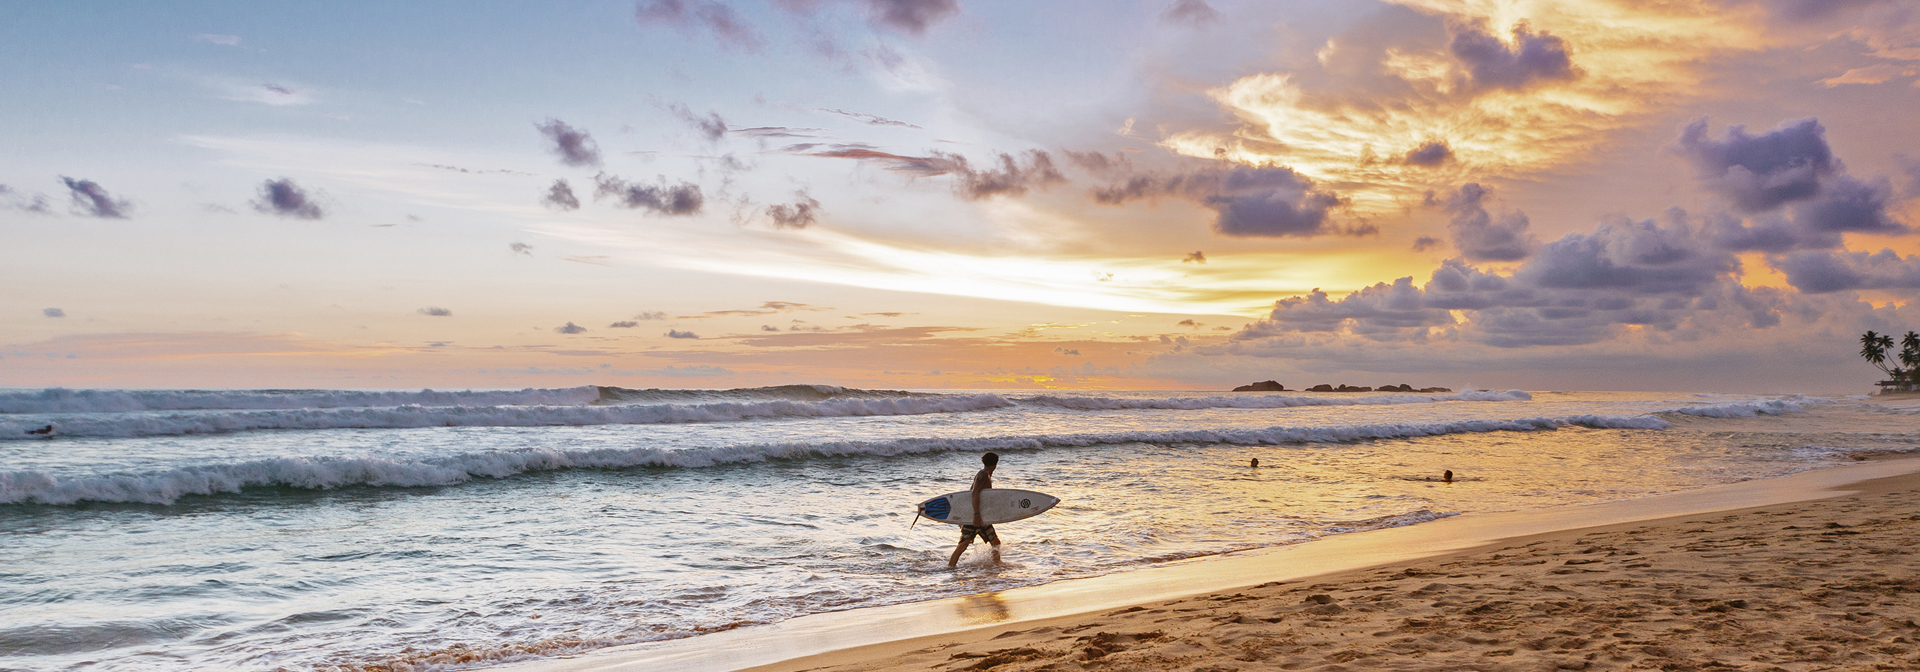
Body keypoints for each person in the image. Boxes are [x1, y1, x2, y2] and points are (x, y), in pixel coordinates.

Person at [949, 451, 1002, 567]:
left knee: (996, 543)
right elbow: (974, 494)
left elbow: (968, 495)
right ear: (995, 464)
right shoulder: (983, 475)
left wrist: (964, 516)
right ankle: (950, 568)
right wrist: (975, 514)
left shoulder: (984, 475)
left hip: (981, 518)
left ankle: (996, 566)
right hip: (976, 517)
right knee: (963, 545)